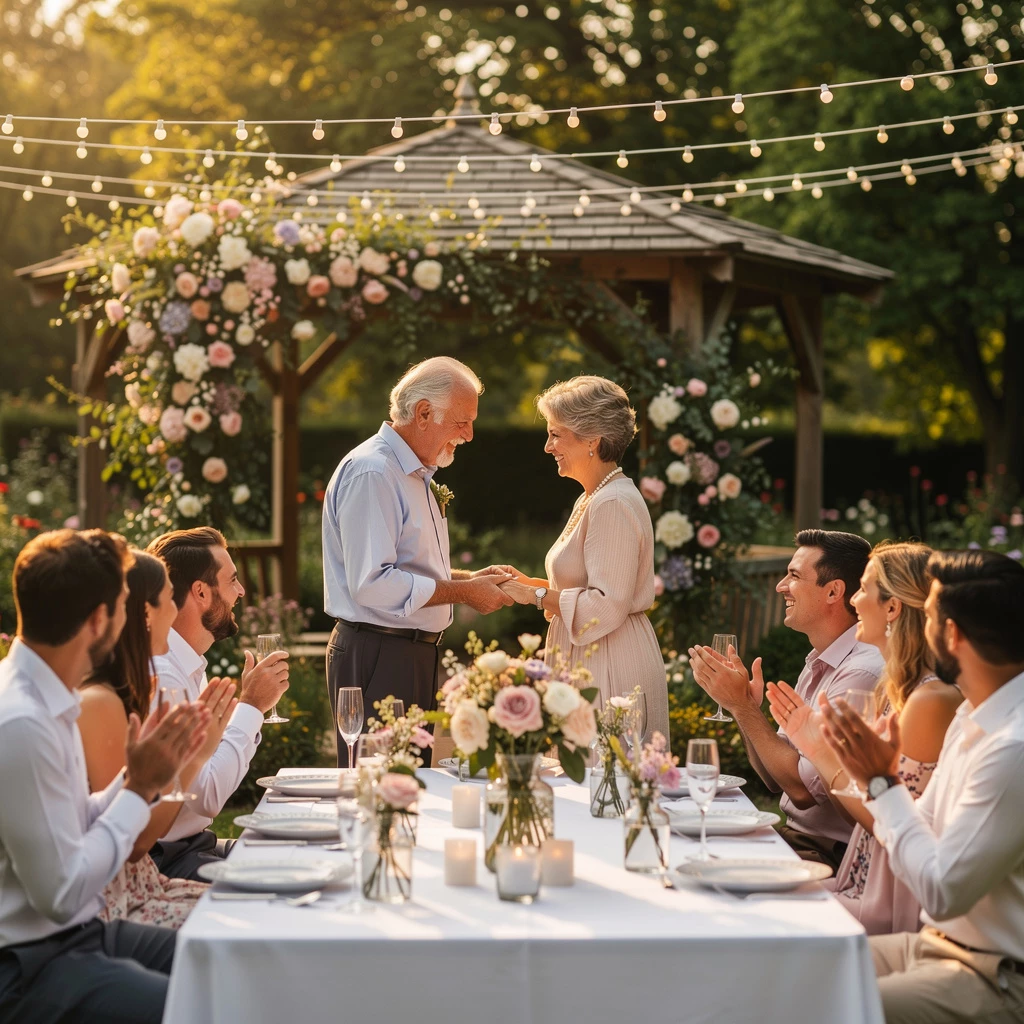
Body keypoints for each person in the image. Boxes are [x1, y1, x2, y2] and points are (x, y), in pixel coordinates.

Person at [0, 529, 209, 1024]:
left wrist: (138, 776)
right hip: (31, 964)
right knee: (206, 1007)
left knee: (231, 963)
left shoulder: (50, 698)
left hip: (79, 935)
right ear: (98, 620)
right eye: (121, 607)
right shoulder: (24, 721)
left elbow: (77, 822)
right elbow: (62, 892)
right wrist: (139, 789)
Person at [822, 549, 1024, 1024]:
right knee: (799, 965)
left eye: (929, 615)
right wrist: (878, 782)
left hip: (995, 976)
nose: (921, 624)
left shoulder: (1011, 748)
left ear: (951, 635)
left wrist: (882, 783)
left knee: (829, 1005)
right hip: (932, 946)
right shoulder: (970, 717)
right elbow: (923, 825)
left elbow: (941, 892)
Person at [322, 356, 516, 765]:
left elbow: (409, 568)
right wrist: (464, 592)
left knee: (408, 791)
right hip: (380, 653)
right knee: (378, 793)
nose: (470, 435)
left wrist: (470, 578)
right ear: (424, 413)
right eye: (462, 421)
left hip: (405, 654)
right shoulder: (374, 472)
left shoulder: (411, 472)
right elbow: (372, 584)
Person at [767, 542, 962, 933]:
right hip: (860, 880)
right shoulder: (896, 690)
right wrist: (816, 747)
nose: (854, 599)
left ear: (892, 609)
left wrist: (821, 752)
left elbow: (885, 823)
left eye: (864, 588)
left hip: (888, 898)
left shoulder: (928, 701)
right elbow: (866, 810)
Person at [688, 529, 884, 871]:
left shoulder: (860, 674)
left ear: (834, 591)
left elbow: (801, 791)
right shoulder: (819, 660)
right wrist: (741, 709)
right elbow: (773, 777)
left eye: (793, 576)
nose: (780, 586)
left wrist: (744, 708)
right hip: (795, 840)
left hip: (825, 853)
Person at [500, 376, 669, 742]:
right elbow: (588, 588)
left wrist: (535, 598)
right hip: (592, 652)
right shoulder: (595, 496)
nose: (548, 447)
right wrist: (533, 586)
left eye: (556, 435)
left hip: (608, 660)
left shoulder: (611, 503)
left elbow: (606, 605)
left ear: (592, 438)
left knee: (604, 783)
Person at [78, 550, 240, 927]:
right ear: (145, 614)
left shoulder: (135, 684)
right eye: (170, 598)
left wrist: (174, 763)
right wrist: (193, 757)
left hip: (144, 879)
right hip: (119, 899)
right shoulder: (103, 700)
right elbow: (141, 842)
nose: (178, 610)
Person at [145, 527, 290, 880]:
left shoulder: (188, 666)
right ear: (201, 592)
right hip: (169, 862)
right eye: (233, 581)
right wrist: (252, 707)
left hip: (195, 846)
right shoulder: (165, 677)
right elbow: (205, 795)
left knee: (301, 850)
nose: (241, 591)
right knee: (288, 881)